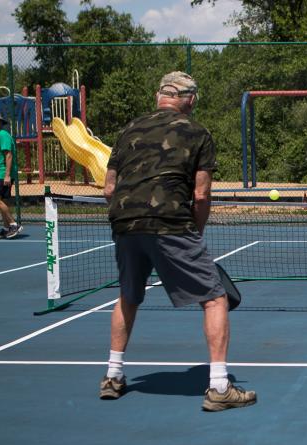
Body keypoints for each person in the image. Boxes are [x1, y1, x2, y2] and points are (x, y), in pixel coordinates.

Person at [100, 71, 256, 411]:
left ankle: (112, 376)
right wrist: (195, 232)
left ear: (159, 96)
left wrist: (127, 215)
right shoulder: (197, 132)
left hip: (125, 222)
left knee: (128, 296)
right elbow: (201, 195)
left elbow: (109, 188)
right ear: (190, 100)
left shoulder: (128, 130)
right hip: (170, 223)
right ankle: (218, 388)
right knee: (215, 298)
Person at [0, 113, 21, 239]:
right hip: (1, 173)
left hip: (3, 173)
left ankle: (13, 225)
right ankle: (7, 228)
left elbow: (8, 155)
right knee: (2, 201)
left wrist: (7, 175)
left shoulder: (2, 135)